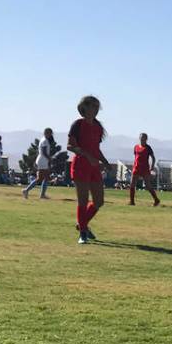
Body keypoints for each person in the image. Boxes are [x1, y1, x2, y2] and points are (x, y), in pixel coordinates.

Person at [67, 96, 110, 244]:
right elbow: (70, 146)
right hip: (80, 166)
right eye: (93, 106)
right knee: (83, 201)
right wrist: (86, 155)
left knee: (99, 201)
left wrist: (104, 161)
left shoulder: (98, 127)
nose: (95, 110)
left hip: (94, 168)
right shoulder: (77, 125)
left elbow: (96, 149)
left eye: (97, 107)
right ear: (84, 108)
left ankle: (82, 224)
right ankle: (83, 233)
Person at [23, 128, 58, 200]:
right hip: (43, 161)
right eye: (50, 133)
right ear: (46, 133)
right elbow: (44, 152)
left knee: (45, 178)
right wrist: (49, 158)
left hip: (42, 160)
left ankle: (42, 194)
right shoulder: (45, 141)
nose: (51, 135)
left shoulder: (43, 140)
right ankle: (26, 190)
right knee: (40, 179)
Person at [130, 133, 160, 206]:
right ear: (139, 138)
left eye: (144, 138)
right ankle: (132, 202)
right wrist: (134, 165)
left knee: (148, 185)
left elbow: (153, 157)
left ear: (146, 139)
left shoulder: (148, 148)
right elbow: (136, 157)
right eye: (141, 138)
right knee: (132, 184)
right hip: (136, 168)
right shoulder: (136, 147)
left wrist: (152, 166)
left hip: (145, 168)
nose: (142, 139)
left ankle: (156, 200)